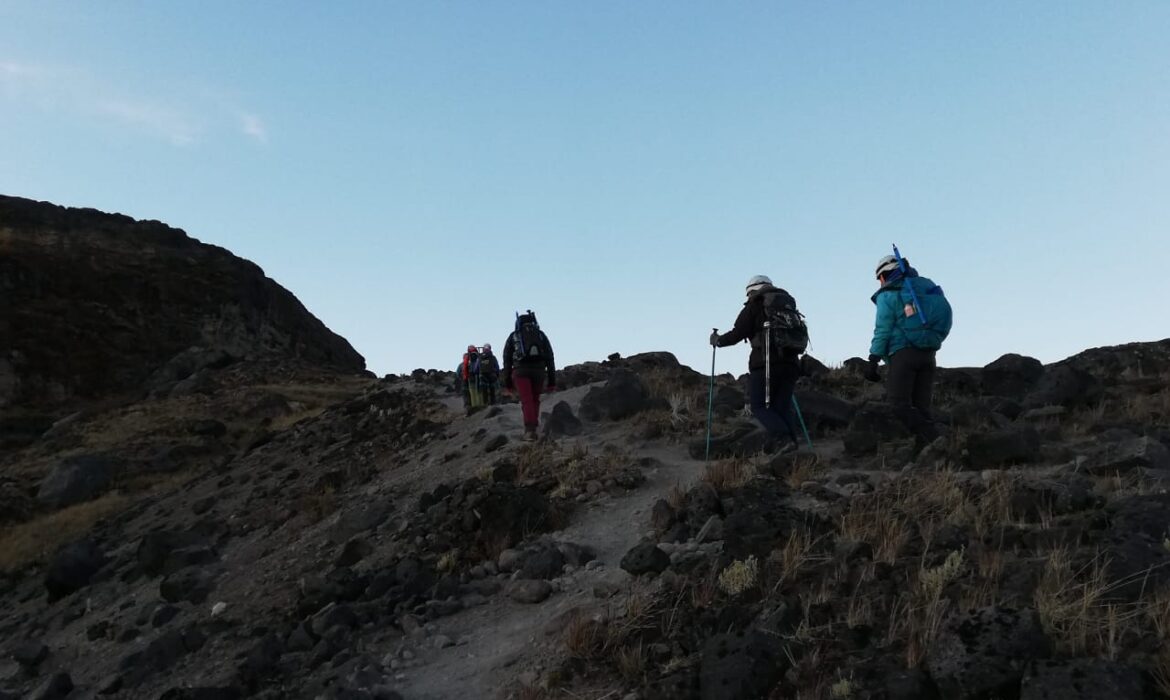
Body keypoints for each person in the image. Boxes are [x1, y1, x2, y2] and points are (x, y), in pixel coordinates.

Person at [710, 275, 806, 454]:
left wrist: (718, 341)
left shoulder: (756, 304)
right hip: (792, 363)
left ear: (751, 290)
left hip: (766, 363)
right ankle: (792, 446)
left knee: (759, 406)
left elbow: (738, 333)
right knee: (781, 406)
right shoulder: (787, 303)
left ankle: (782, 439)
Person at [866, 253, 953, 444]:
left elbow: (883, 329)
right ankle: (933, 454)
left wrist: (873, 359)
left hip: (903, 354)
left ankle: (935, 440)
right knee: (922, 408)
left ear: (883, 275)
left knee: (898, 404)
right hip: (929, 355)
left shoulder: (889, 295)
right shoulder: (924, 288)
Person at [502, 311, 557, 441]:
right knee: (535, 399)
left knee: (526, 400)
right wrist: (552, 381)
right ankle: (533, 427)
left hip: (520, 371)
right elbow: (550, 357)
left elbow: (507, 360)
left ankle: (530, 430)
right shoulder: (541, 335)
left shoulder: (514, 336)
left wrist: (508, 383)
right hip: (539, 371)